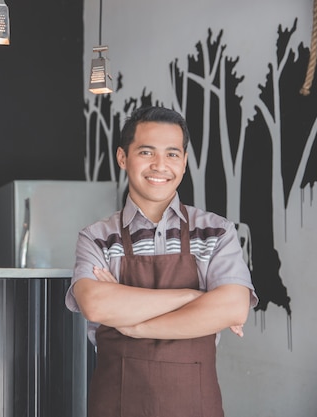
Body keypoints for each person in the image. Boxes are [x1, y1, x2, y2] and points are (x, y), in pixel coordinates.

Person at [65, 106, 258, 417]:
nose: (160, 165)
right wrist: (193, 298)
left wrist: (137, 326)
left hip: (195, 406)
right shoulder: (96, 237)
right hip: (115, 405)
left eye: (172, 154)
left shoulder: (215, 231)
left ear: (183, 162)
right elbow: (97, 305)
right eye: (146, 152)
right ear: (122, 158)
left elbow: (234, 308)